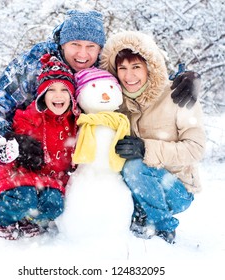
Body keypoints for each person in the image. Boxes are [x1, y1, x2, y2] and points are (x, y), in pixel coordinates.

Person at [0, 9, 199, 228]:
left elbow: (142, 77)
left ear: (100, 48)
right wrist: (10, 139)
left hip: (68, 151)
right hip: (26, 139)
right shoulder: (35, 63)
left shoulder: (102, 64)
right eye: (75, 44)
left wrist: (182, 79)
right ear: (62, 43)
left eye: (91, 46)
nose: (82, 54)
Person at [100, 30, 205, 244]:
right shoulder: (114, 102)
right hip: (138, 189)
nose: (129, 77)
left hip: (176, 188)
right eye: (123, 68)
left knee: (134, 166)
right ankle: (137, 217)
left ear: (150, 67)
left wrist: (146, 149)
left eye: (136, 67)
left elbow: (195, 148)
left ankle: (163, 229)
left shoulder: (177, 95)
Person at [0, 55, 80, 240]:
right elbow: (1, 150)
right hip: (21, 176)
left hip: (51, 180)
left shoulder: (74, 123)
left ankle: (30, 220)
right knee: (24, 198)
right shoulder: (28, 118)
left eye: (64, 90)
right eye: (51, 89)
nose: (58, 95)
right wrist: (3, 152)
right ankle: (1, 218)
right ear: (42, 95)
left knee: (54, 205)